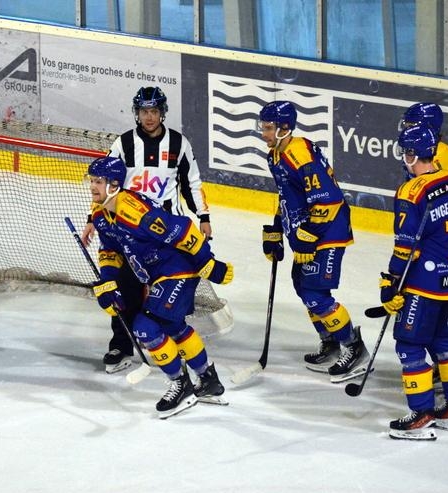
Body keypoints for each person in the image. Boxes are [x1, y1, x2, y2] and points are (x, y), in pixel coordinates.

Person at [86, 156, 232, 419]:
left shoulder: (135, 212)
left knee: (145, 327)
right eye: (92, 181)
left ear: (114, 185)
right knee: (173, 327)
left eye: (98, 181)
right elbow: (109, 251)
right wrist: (108, 282)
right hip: (159, 274)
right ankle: (208, 380)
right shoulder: (101, 214)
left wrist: (209, 264)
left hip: (179, 270)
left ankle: (181, 385)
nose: (93, 187)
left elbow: (184, 230)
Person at [81, 86, 212, 374]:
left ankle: (172, 337)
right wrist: (93, 218)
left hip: (168, 232)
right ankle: (122, 343)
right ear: (137, 113)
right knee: (125, 286)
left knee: (171, 286)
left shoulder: (179, 143)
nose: (149, 117)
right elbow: (104, 182)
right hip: (131, 230)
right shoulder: (124, 143)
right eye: (143, 111)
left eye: (154, 111)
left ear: (162, 113)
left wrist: (203, 215)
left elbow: (192, 183)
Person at [257, 100, 368, 382]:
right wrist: (276, 228)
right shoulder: (276, 155)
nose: (264, 133)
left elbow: (329, 200)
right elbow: (288, 196)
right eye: (263, 127)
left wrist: (309, 237)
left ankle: (355, 349)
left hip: (328, 231)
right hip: (308, 231)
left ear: (285, 128)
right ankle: (330, 341)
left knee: (316, 293)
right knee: (302, 286)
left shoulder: (299, 154)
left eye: (268, 128)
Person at [381, 125, 448, 440]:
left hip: (424, 284)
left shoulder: (411, 191)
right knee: (446, 344)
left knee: (409, 344)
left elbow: (405, 246)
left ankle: (421, 415)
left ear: (410, 154)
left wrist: (391, 282)